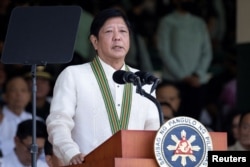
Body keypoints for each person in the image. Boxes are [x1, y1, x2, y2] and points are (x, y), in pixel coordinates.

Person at [46, 8, 160, 166]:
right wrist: (71, 153)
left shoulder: (142, 80)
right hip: (86, 163)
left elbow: (152, 128)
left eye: (123, 31)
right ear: (94, 41)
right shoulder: (74, 75)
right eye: (109, 32)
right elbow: (58, 121)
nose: (117, 37)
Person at [156, 0, 212, 120]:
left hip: (196, 83)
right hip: (173, 82)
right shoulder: (167, 22)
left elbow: (207, 52)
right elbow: (164, 51)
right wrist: (183, 76)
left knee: (194, 122)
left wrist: (198, 74)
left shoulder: (199, 23)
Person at [0, 75, 33, 156]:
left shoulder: (36, 121)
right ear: (4, 96)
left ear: (29, 96)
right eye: (13, 90)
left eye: (23, 90)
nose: (19, 94)